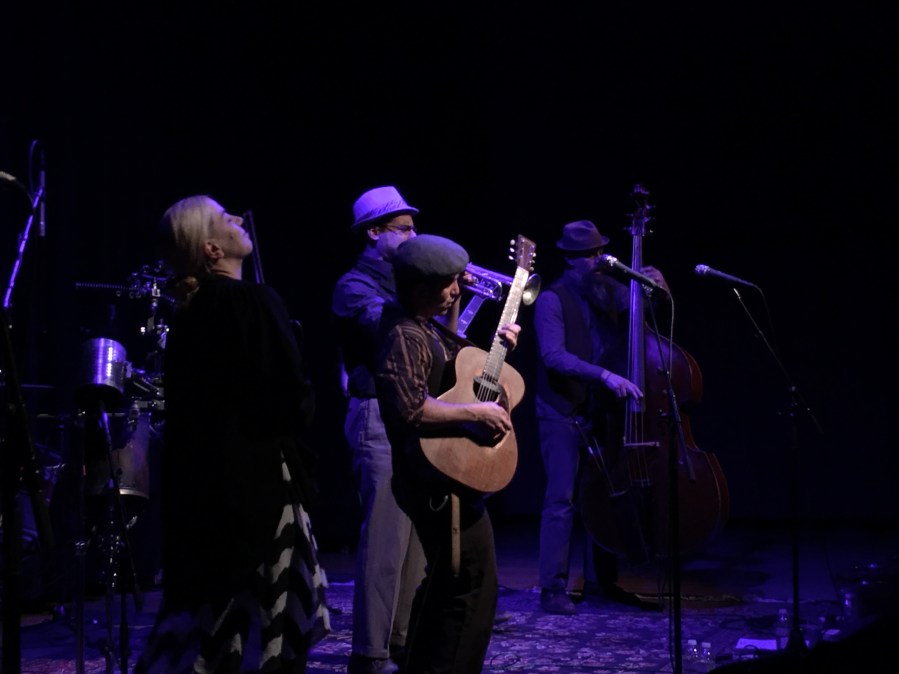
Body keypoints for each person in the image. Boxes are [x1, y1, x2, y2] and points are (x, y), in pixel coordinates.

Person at [134, 195, 329, 673]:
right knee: (274, 627)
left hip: (207, 497)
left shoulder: (188, 316)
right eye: (225, 219)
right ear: (212, 249)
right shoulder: (251, 301)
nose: (239, 220)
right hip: (261, 488)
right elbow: (290, 396)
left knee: (218, 629)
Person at [375, 234, 520, 673]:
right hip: (432, 479)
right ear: (419, 288)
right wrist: (475, 410)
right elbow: (410, 407)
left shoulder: (425, 327)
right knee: (470, 587)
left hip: (447, 475)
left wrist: (502, 347)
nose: (457, 290)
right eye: (447, 284)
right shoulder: (403, 332)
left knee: (449, 584)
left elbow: (458, 366)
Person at [534, 220, 668, 615]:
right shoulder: (551, 300)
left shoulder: (607, 290)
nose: (597, 261)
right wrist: (605, 375)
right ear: (571, 260)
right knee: (561, 500)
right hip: (560, 410)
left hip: (598, 410)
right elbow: (553, 356)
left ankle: (600, 583)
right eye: (589, 256)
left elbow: (642, 314)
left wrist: (658, 290)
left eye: (598, 253)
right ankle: (552, 589)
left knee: (602, 496)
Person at [332, 185, 426, 674]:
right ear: (374, 232)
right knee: (386, 538)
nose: (415, 235)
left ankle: (403, 640)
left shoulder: (404, 286)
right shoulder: (354, 285)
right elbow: (392, 333)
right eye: (405, 229)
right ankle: (369, 653)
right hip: (374, 415)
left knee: (414, 541)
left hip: (411, 414)